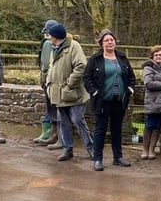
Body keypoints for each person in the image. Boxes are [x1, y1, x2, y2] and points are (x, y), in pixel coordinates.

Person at [83, 29, 136, 171]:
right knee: (100, 129)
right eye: (106, 40)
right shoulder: (95, 60)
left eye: (111, 40)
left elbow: (131, 76)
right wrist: (94, 92)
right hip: (102, 101)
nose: (109, 42)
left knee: (116, 129)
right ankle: (98, 159)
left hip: (119, 100)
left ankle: (117, 157)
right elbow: (86, 78)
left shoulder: (122, 57)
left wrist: (130, 89)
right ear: (101, 44)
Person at [45, 22, 94, 161]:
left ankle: (91, 149)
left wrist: (70, 84)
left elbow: (81, 66)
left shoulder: (73, 46)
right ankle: (67, 149)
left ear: (56, 36)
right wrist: (49, 81)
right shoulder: (54, 48)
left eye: (50, 35)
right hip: (58, 93)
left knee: (78, 120)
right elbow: (51, 67)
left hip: (73, 92)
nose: (49, 37)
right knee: (63, 122)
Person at [33, 20, 60, 146]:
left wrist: (44, 79)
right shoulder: (54, 43)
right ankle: (50, 133)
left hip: (49, 79)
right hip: (54, 78)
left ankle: (51, 134)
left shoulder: (48, 44)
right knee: (52, 106)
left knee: (51, 106)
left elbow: (45, 64)